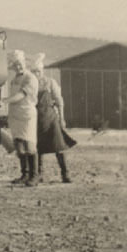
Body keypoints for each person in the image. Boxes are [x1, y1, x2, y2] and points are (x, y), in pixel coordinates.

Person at [30, 52, 77, 183]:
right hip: (36, 121)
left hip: (51, 120)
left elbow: (60, 101)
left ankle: (65, 174)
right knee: (37, 148)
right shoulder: (30, 85)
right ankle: (39, 174)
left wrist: (62, 118)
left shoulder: (50, 82)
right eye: (34, 71)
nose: (36, 74)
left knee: (59, 146)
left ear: (42, 70)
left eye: (38, 71)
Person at [0, 49, 40, 186]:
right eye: (15, 64)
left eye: (20, 63)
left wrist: (5, 101)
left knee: (29, 145)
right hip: (16, 115)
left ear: (24, 63)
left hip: (26, 115)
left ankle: (34, 175)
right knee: (19, 145)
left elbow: (22, 95)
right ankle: (25, 174)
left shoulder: (30, 78)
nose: (18, 66)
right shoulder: (15, 79)